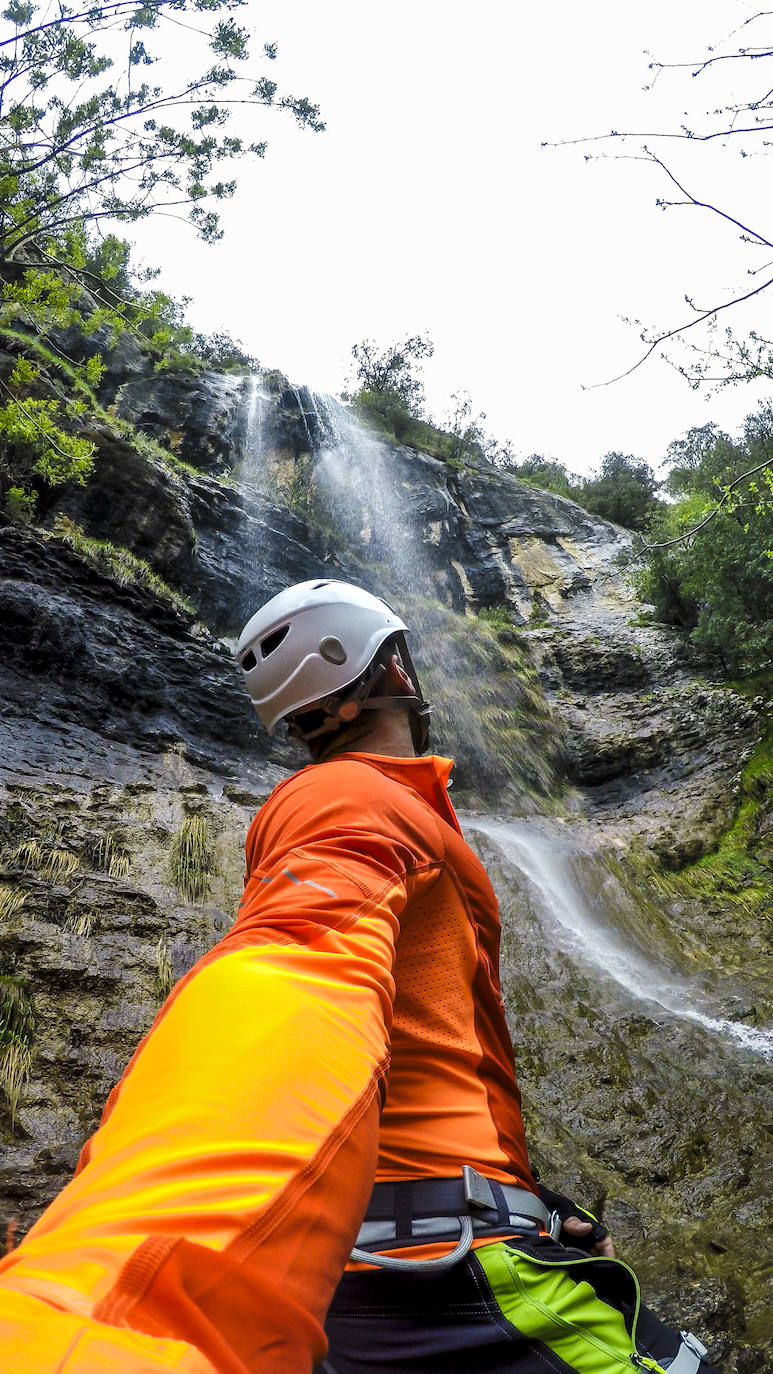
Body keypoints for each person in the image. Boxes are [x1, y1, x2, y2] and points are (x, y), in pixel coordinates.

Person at [0, 579, 717, 1374]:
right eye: (398, 652)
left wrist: (532, 1204)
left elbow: (410, 1070)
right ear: (382, 675)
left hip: (423, 1266)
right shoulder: (342, 793)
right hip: (450, 1281)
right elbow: (294, 967)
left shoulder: (393, 805)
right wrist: (104, 1310)